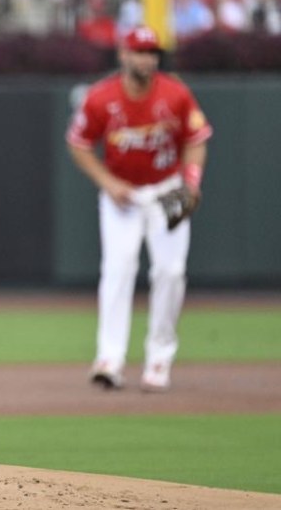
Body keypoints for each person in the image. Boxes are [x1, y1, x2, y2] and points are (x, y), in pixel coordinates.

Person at [66, 25, 213, 392]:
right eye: (140, 51)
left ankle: (159, 359)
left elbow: (196, 140)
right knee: (117, 269)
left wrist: (191, 182)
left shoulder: (175, 94)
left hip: (167, 190)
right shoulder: (101, 98)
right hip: (123, 196)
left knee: (171, 271)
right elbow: (79, 144)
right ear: (124, 55)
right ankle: (109, 359)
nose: (147, 58)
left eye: (152, 52)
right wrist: (108, 183)